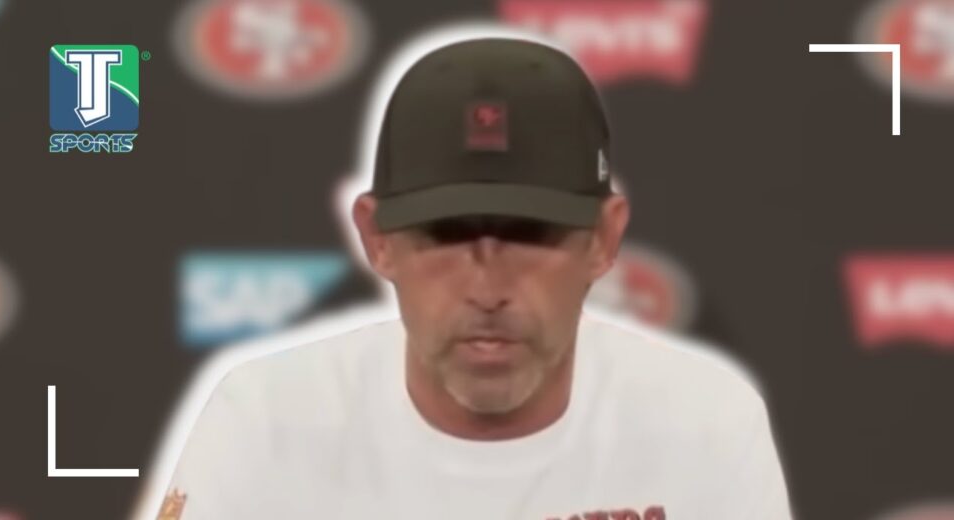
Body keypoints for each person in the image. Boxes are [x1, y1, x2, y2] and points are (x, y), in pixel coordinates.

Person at [156, 37, 793, 519]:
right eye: (447, 235)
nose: (488, 289)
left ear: (603, 239)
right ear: (378, 239)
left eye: (531, 234)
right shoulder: (264, 423)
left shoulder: (707, 424)